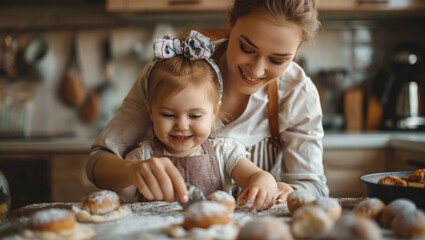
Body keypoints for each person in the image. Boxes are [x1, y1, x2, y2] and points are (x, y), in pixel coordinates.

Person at [86, 0, 329, 206]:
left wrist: (289, 192)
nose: (256, 70)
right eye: (247, 48)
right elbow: (98, 162)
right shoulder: (171, 71)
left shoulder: (297, 92)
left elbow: (313, 185)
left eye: (277, 60)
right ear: (230, 22)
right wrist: (130, 171)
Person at [118, 31, 278, 210]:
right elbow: (120, 199)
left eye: (194, 116)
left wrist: (264, 184)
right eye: (168, 115)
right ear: (150, 111)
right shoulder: (142, 159)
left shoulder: (224, 153)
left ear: (214, 112)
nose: (182, 126)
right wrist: (130, 175)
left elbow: (257, 176)